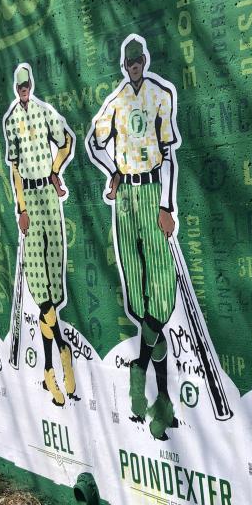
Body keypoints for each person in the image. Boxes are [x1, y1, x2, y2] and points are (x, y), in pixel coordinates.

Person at [87, 36, 180, 440]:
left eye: (138, 60)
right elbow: (94, 140)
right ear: (124, 66)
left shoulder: (160, 97)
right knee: (140, 297)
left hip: (152, 189)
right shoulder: (117, 101)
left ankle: (138, 375)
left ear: (145, 60)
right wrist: (113, 170)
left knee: (162, 294)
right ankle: (161, 401)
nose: (134, 67)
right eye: (129, 63)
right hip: (126, 195)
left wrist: (167, 205)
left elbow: (170, 154)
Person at [3, 63, 76, 407]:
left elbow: (66, 141)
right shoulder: (10, 121)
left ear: (31, 85)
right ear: (15, 89)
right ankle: (57, 359)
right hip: (30, 199)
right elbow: (14, 166)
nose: (23, 91)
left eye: (26, 85)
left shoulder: (46, 112)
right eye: (19, 87)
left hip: (48, 194)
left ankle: (52, 363)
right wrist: (19, 207)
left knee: (53, 279)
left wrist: (54, 169)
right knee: (39, 285)